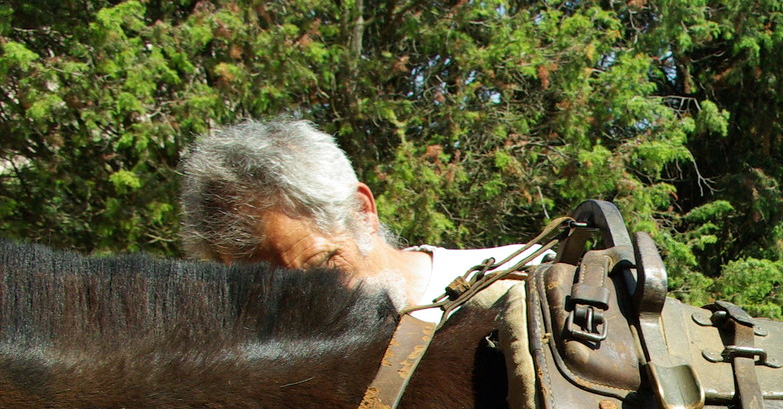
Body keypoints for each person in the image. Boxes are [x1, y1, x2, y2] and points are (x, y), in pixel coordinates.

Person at [180, 118, 530, 307]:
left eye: (320, 266)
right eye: (268, 291)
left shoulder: (525, 283)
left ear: (363, 212)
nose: (306, 303)